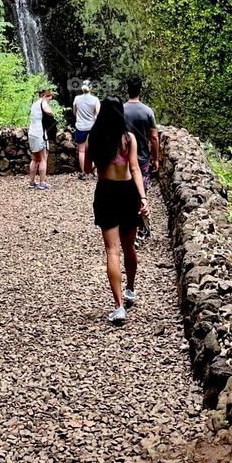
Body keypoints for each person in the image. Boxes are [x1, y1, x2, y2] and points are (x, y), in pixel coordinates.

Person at [86, 98, 149, 325]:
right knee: (128, 246)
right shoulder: (128, 138)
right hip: (127, 192)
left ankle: (119, 306)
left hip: (106, 192)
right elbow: (135, 169)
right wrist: (143, 198)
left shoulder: (95, 138)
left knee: (112, 251)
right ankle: (130, 289)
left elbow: (86, 168)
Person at [123, 76, 159, 239]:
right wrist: (156, 158)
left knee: (125, 191)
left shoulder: (120, 110)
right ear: (140, 90)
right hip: (143, 158)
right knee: (141, 191)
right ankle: (142, 226)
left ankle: (129, 224)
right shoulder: (147, 111)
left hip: (123, 158)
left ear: (127, 89)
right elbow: (154, 137)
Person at [27, 87, 56, 191]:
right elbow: (48, 111)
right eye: (49, 97)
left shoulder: (34, 104)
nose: (50, 99)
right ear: (44, 95)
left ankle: (31, 182)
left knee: (35, 158)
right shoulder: (43, 102)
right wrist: (52, 113)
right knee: (43, 159)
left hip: (32, 133)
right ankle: (42, 183)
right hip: (40, 133)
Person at [72, 81, 100, 177]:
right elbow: (98, 114)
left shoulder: (77, 98)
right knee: (95, 149)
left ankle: (83, 172)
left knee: (81, 151)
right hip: (92, 127)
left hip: (80, 126)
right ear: (90, 88)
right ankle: (95, 171)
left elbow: (74, 112)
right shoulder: (95, 99)